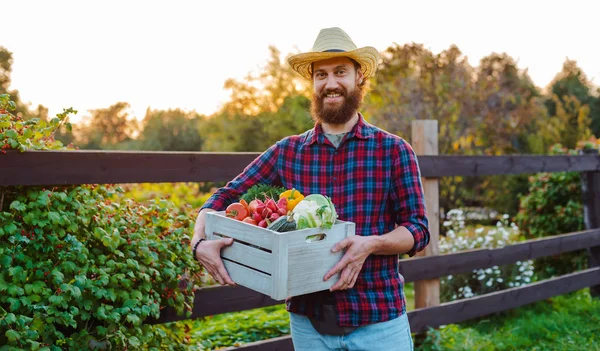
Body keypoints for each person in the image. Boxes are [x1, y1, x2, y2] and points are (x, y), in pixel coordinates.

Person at [191, 27, 430, 351]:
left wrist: (371, 244)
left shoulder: (393, 150)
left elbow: (417, 229)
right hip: (309, 324)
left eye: (340, 72)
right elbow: (225, 196)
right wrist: (198, 243)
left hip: (379, 319)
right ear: (313, 83)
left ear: (359, 77)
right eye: (321, 74)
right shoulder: (287, 152)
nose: (330, 83)